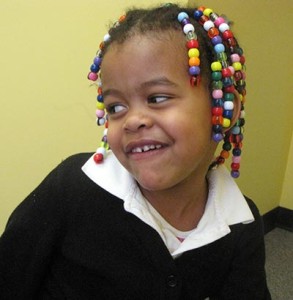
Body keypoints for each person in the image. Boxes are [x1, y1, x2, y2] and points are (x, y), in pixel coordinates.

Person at [0, 3, 271, 299]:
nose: (132, 120)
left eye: (157, 97)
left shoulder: (240, 223)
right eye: (116, 107)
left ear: (223, 109)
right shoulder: (71, 188)